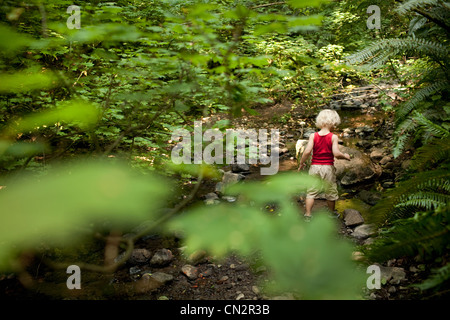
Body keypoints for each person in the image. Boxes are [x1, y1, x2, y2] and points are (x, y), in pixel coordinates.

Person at [298, 109, 351, 220]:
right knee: (330, 190)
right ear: (333, 122)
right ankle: (331, 213)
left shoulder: (313, 136)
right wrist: (345, 156)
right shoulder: (333, 137)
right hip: (327, 168)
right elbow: (336, 153)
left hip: (314, 167)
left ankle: (308, 214)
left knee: (311, 191)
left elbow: (307, 151)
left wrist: (301, 163)